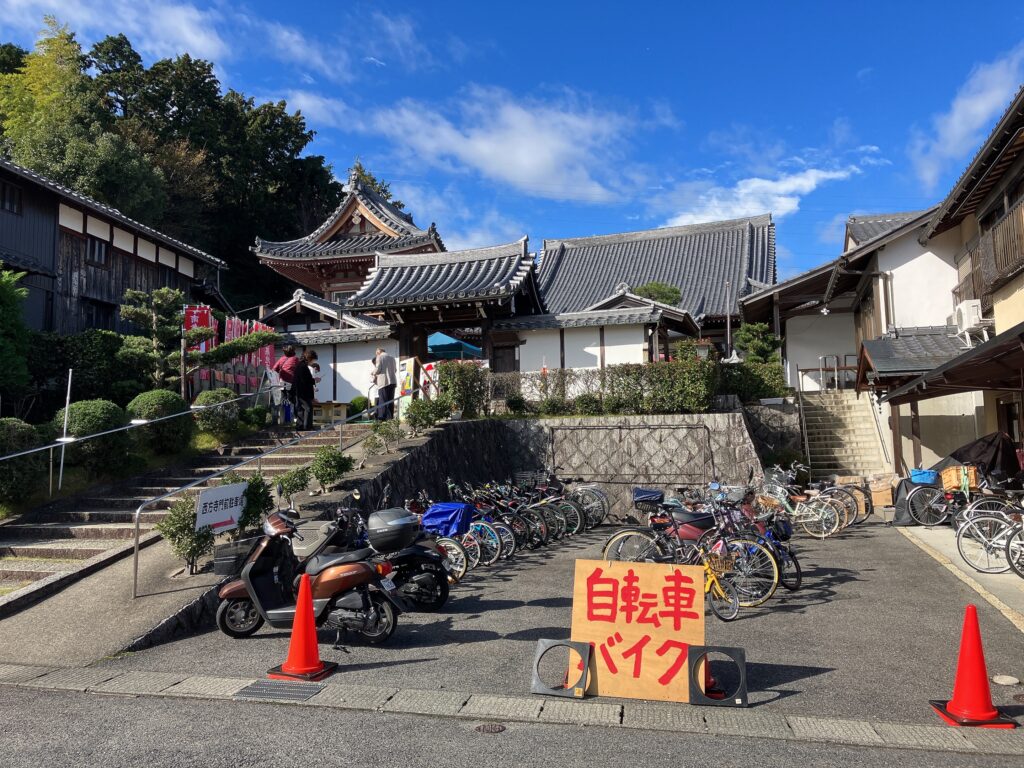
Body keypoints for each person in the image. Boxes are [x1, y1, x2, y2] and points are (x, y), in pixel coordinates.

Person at [272, 345, 300, 424]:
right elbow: (300, 370)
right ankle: (294, 417)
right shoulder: (295, 359)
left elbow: (274, 369)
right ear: (293, 351)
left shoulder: (281, 359)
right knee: (293, 400)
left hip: (281, 382)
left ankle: (282, 418)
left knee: (283, 400)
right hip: (291, 382)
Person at [292, 351, 316, 431]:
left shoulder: (300, 365)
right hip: (303, 392)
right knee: (308, 408)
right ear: (309, 358)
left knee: (301, 409)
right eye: (313, 360)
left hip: (299, 391)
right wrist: (314, 380)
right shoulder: (303, 367)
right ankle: (307, 427)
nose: (313, 362)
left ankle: (300, 426)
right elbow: (305, 380)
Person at [372, 346, 397, 420]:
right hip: (393, 381)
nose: (376, 355)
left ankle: (382, 417)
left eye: (376, 353)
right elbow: (395, 370)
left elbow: (378, 369)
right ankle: (390, 417)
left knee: (383, 400)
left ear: (378, 352)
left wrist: (373, 373)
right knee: (390, 400)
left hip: (383, 382)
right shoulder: (392, 358)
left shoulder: (379, 357)